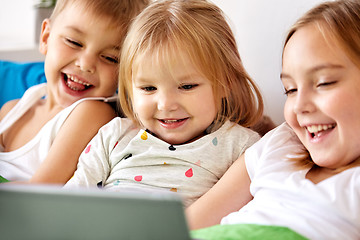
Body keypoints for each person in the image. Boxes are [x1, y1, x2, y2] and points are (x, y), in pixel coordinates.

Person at [64, 0, 264, 207]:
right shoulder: (113, 136)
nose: (165, 105)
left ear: (225, 83)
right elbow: (71, 202)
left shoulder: (241, 146)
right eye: (148, 88)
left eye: (187, 87)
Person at [188, 0, 360, 239]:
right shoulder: (280, 144)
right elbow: (185, 227)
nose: (299, 106)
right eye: (290, 90)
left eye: (324, 83)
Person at [0, 0, 149, 184]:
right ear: (46, 37)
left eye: (110, 58)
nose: (85, 64)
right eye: (74, 42)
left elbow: (39, 192)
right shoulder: (12, 110)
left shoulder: (92, 112)